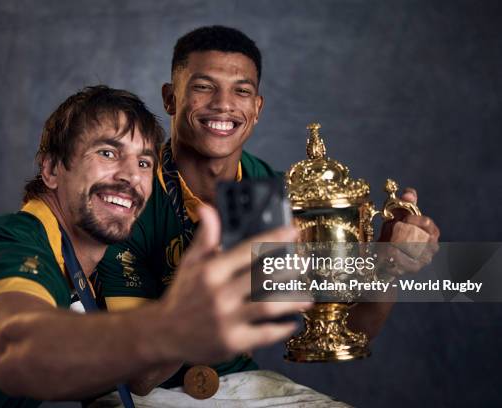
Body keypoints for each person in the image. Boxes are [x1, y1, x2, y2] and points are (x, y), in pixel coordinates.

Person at [0, 85, 313, 407]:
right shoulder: (10, 250)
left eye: (144, 162)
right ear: (53, 168)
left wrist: (183, 339)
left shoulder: (85, 269)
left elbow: (121, 377)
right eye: (108, 153)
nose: (131, 176)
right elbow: (13, 347)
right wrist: (169, 326)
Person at [96, 26, 440, 406]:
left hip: (240, 383)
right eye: (203, 87)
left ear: (257, 109)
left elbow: (351, 329)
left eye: (241, 91)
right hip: (138, 392)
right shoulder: (128, 195)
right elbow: (140, 375)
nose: (224, 104)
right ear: (170, 98)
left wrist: (386, 265)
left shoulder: (275, 194)